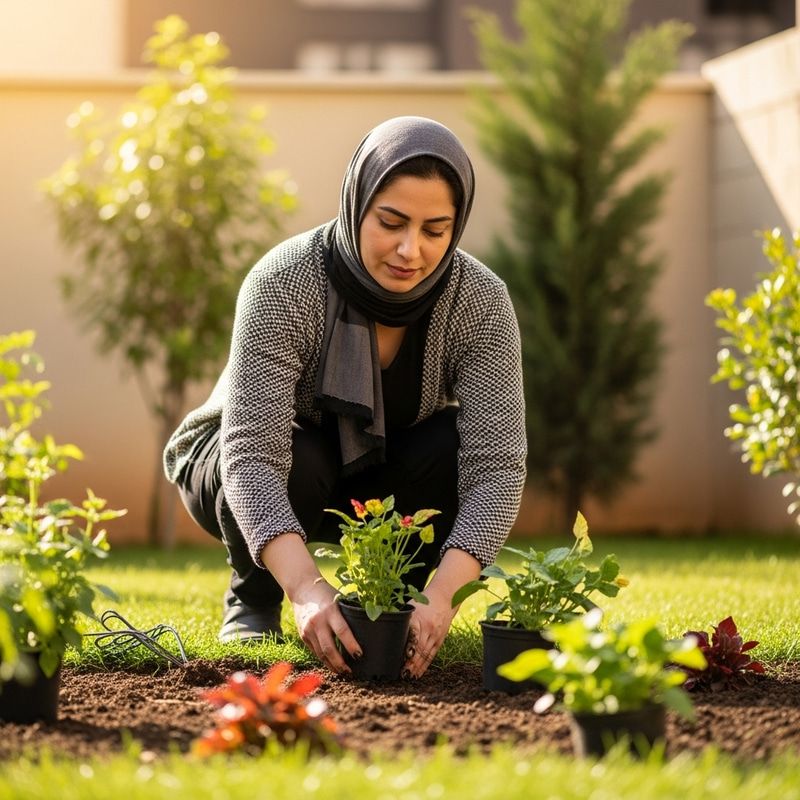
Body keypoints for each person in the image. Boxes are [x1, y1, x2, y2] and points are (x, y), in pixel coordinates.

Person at [163, 116, 527, 678]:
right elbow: (251, 456)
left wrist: (444, 593)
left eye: (436, 230)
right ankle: (253, 597)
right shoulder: (285, 280)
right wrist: (305, 587)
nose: (411, 250)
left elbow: (496, 468)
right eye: (391, 222)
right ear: (357, 203)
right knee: (298, 454)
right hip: (239, 461)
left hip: (376, 469)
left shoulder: (479, 301)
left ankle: (400, 600)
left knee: (454, 445)